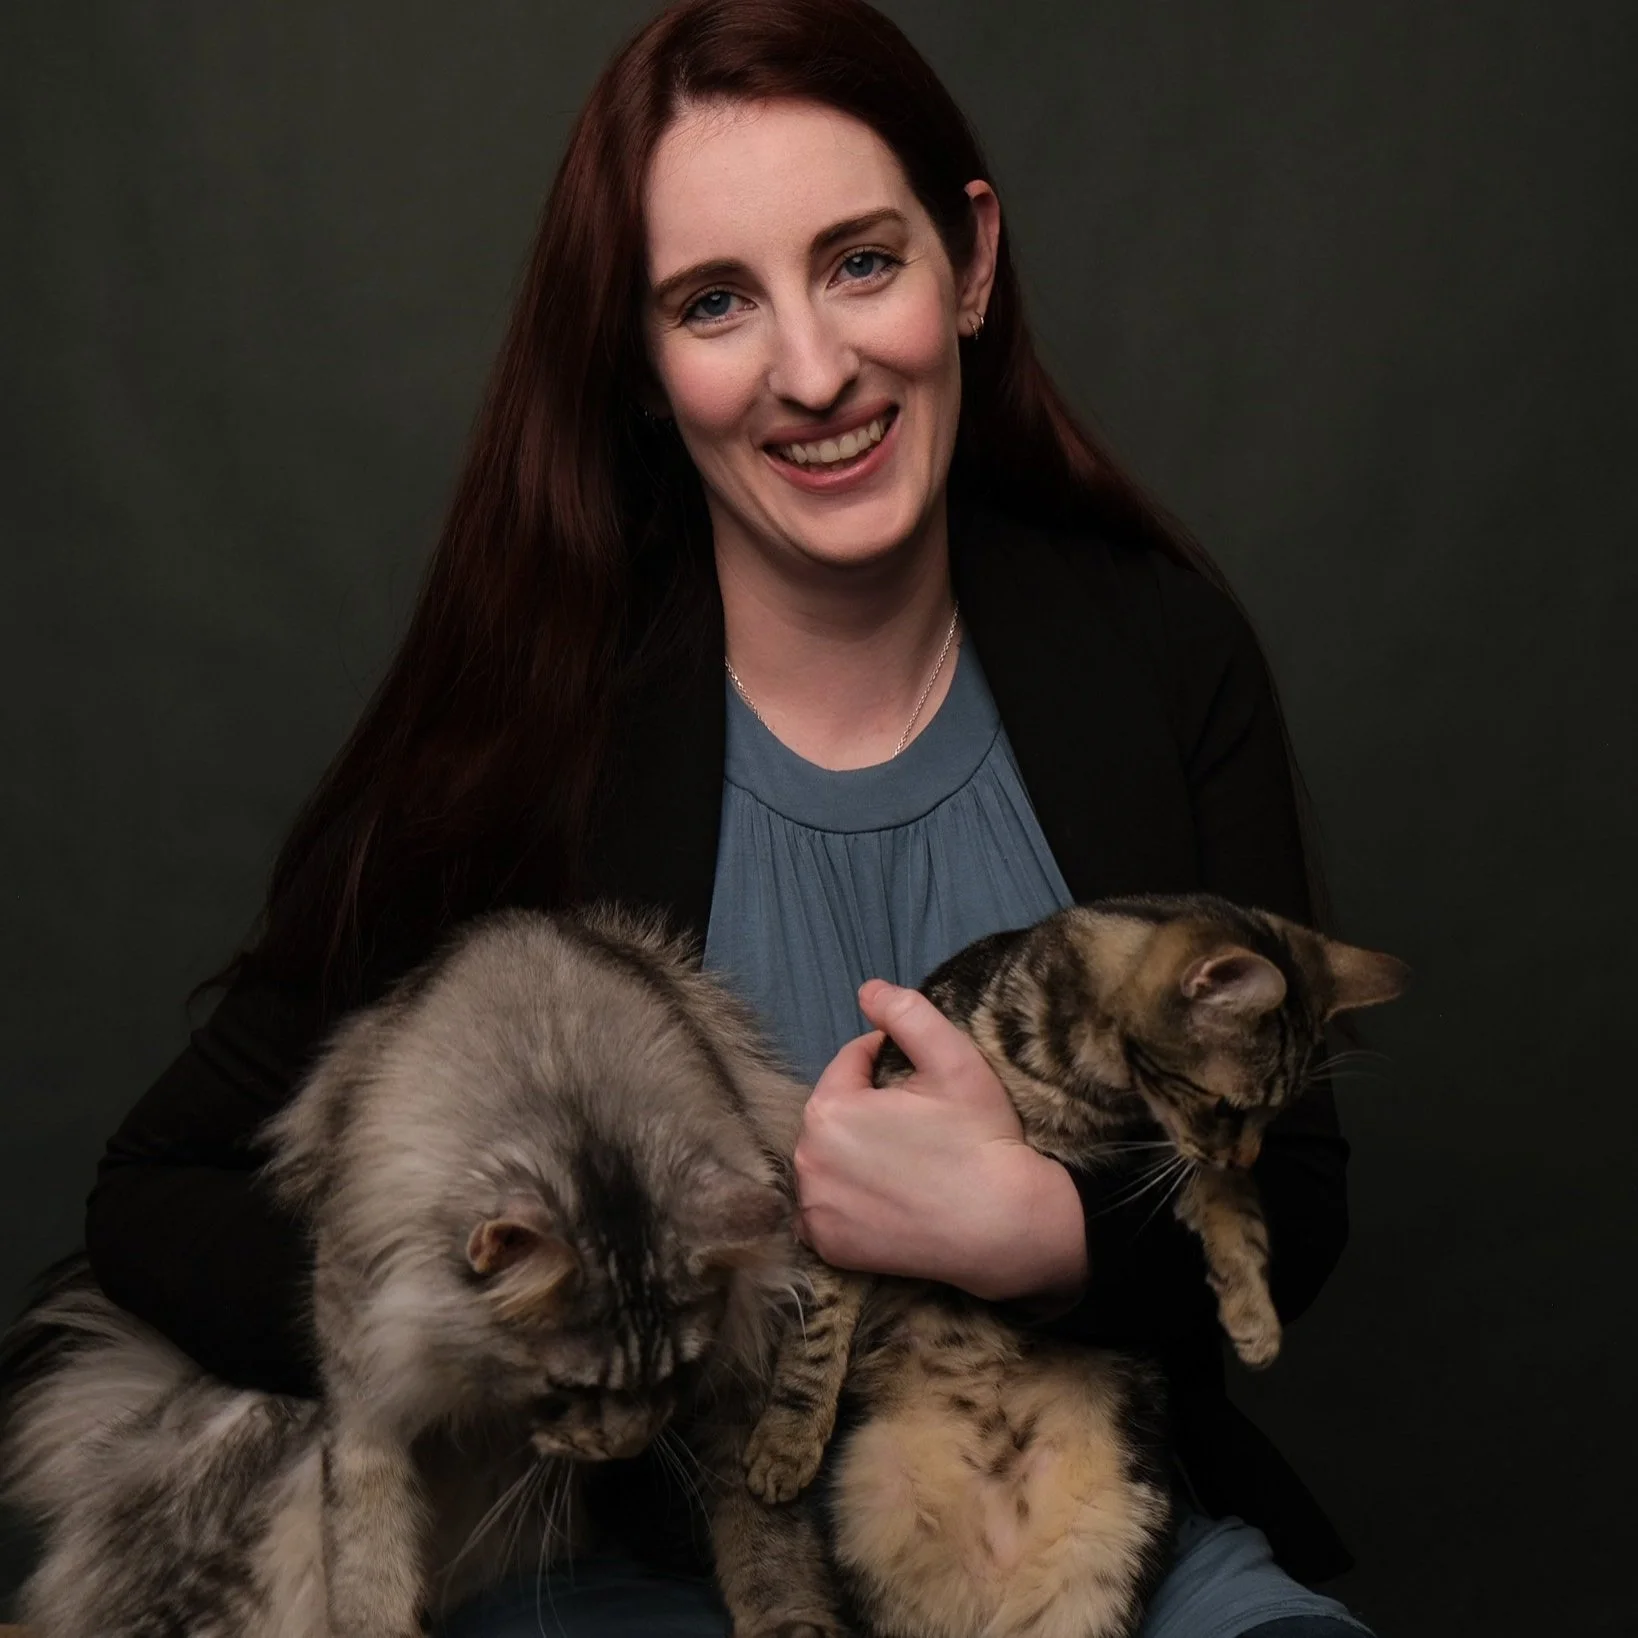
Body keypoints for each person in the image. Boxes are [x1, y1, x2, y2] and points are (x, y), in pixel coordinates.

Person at [84, 2, 1375, 1634]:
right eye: (714, 302)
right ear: (638, 358)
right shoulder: (527, 734)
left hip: (1081, 1539)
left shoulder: (1161, 657)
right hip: (651, 1572)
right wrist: (509, 1321)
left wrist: (1036, 1233)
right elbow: (151, 1188)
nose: (815, 370)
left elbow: (1299, 1198)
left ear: (965, 261)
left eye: (858, 261)